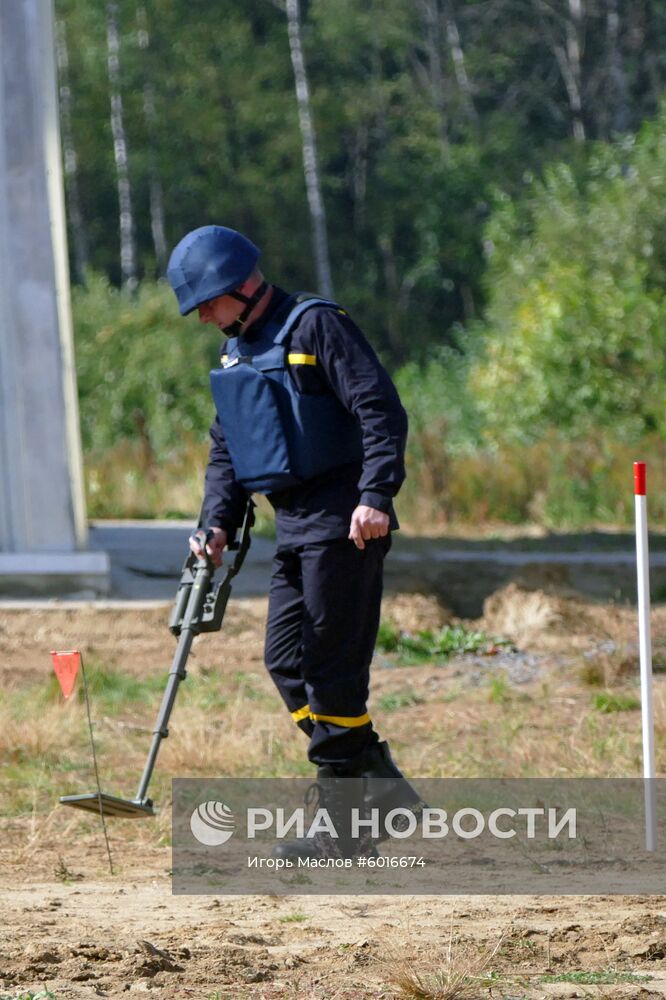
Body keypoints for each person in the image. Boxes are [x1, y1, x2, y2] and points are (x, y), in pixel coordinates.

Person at [167, 224, 423, 861]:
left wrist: (376, 494)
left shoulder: (316, 327)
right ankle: (381, 785)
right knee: (287, 662)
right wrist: (216, 522)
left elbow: (379, 408)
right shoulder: (238, 352)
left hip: (345, 524)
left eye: (205, 302)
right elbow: (226, 450)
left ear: (238, 286)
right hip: (292, 527)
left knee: (331, 673)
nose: (202, 317)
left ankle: (347, 825)